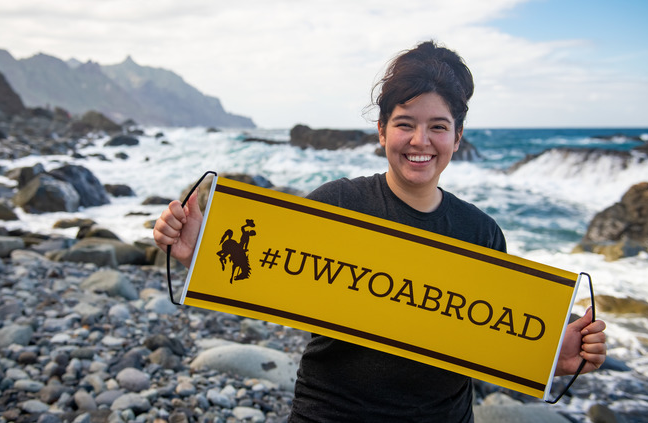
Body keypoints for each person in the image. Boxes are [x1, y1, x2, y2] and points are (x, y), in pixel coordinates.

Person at [153, 41, 607, 422]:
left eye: (438, 127)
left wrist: (552, 357)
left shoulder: (482, 233)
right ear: (382, 131)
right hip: (330, 415)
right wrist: (197, 250)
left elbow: (491, 336)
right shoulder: (336, 204)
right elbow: (262, 272)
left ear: (458, 136)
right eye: (405, 124)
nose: (420, 141)